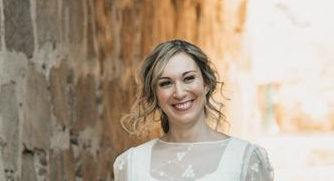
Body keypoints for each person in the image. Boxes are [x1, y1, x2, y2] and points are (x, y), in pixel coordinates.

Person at [113, 39, 274, 180]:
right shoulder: (131, 164)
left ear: (206, 83)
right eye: (166, 83)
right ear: (155, 94)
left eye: (188, 78)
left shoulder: (244, 159)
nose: (180, 93)